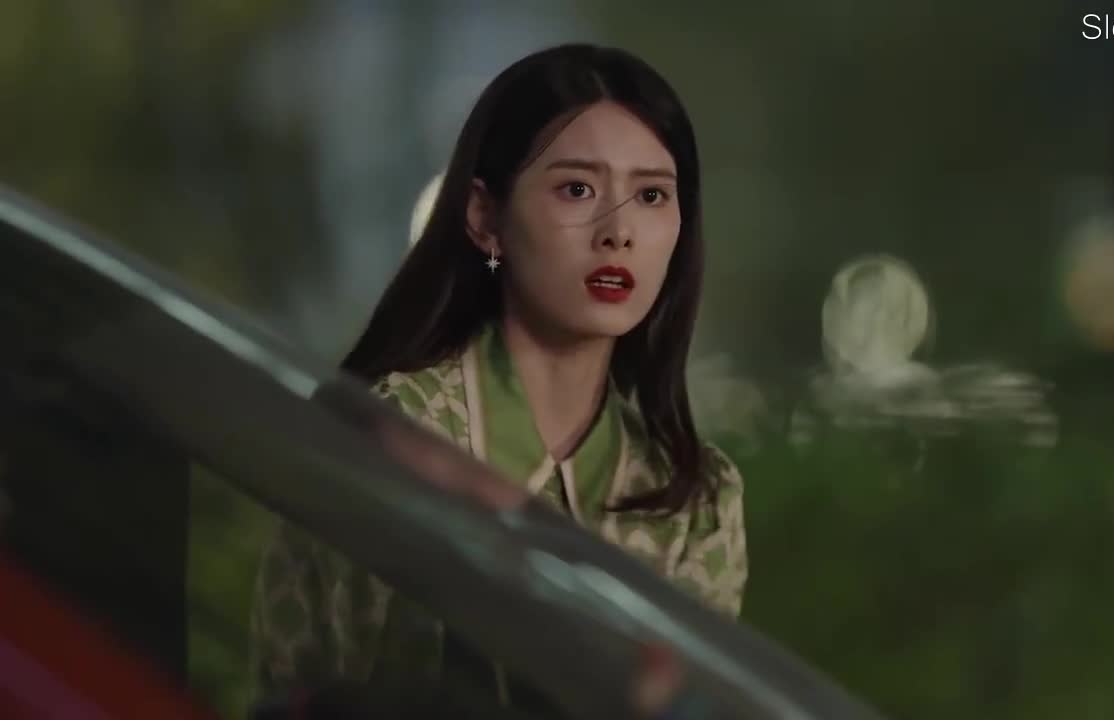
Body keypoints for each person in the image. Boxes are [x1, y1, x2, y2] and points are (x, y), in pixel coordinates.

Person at [249, 43, 748, 714]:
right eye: (578, 189)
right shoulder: (393, 435)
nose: (619, 232)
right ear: (486, 217)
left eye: (652, 195)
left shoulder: (694, 497)